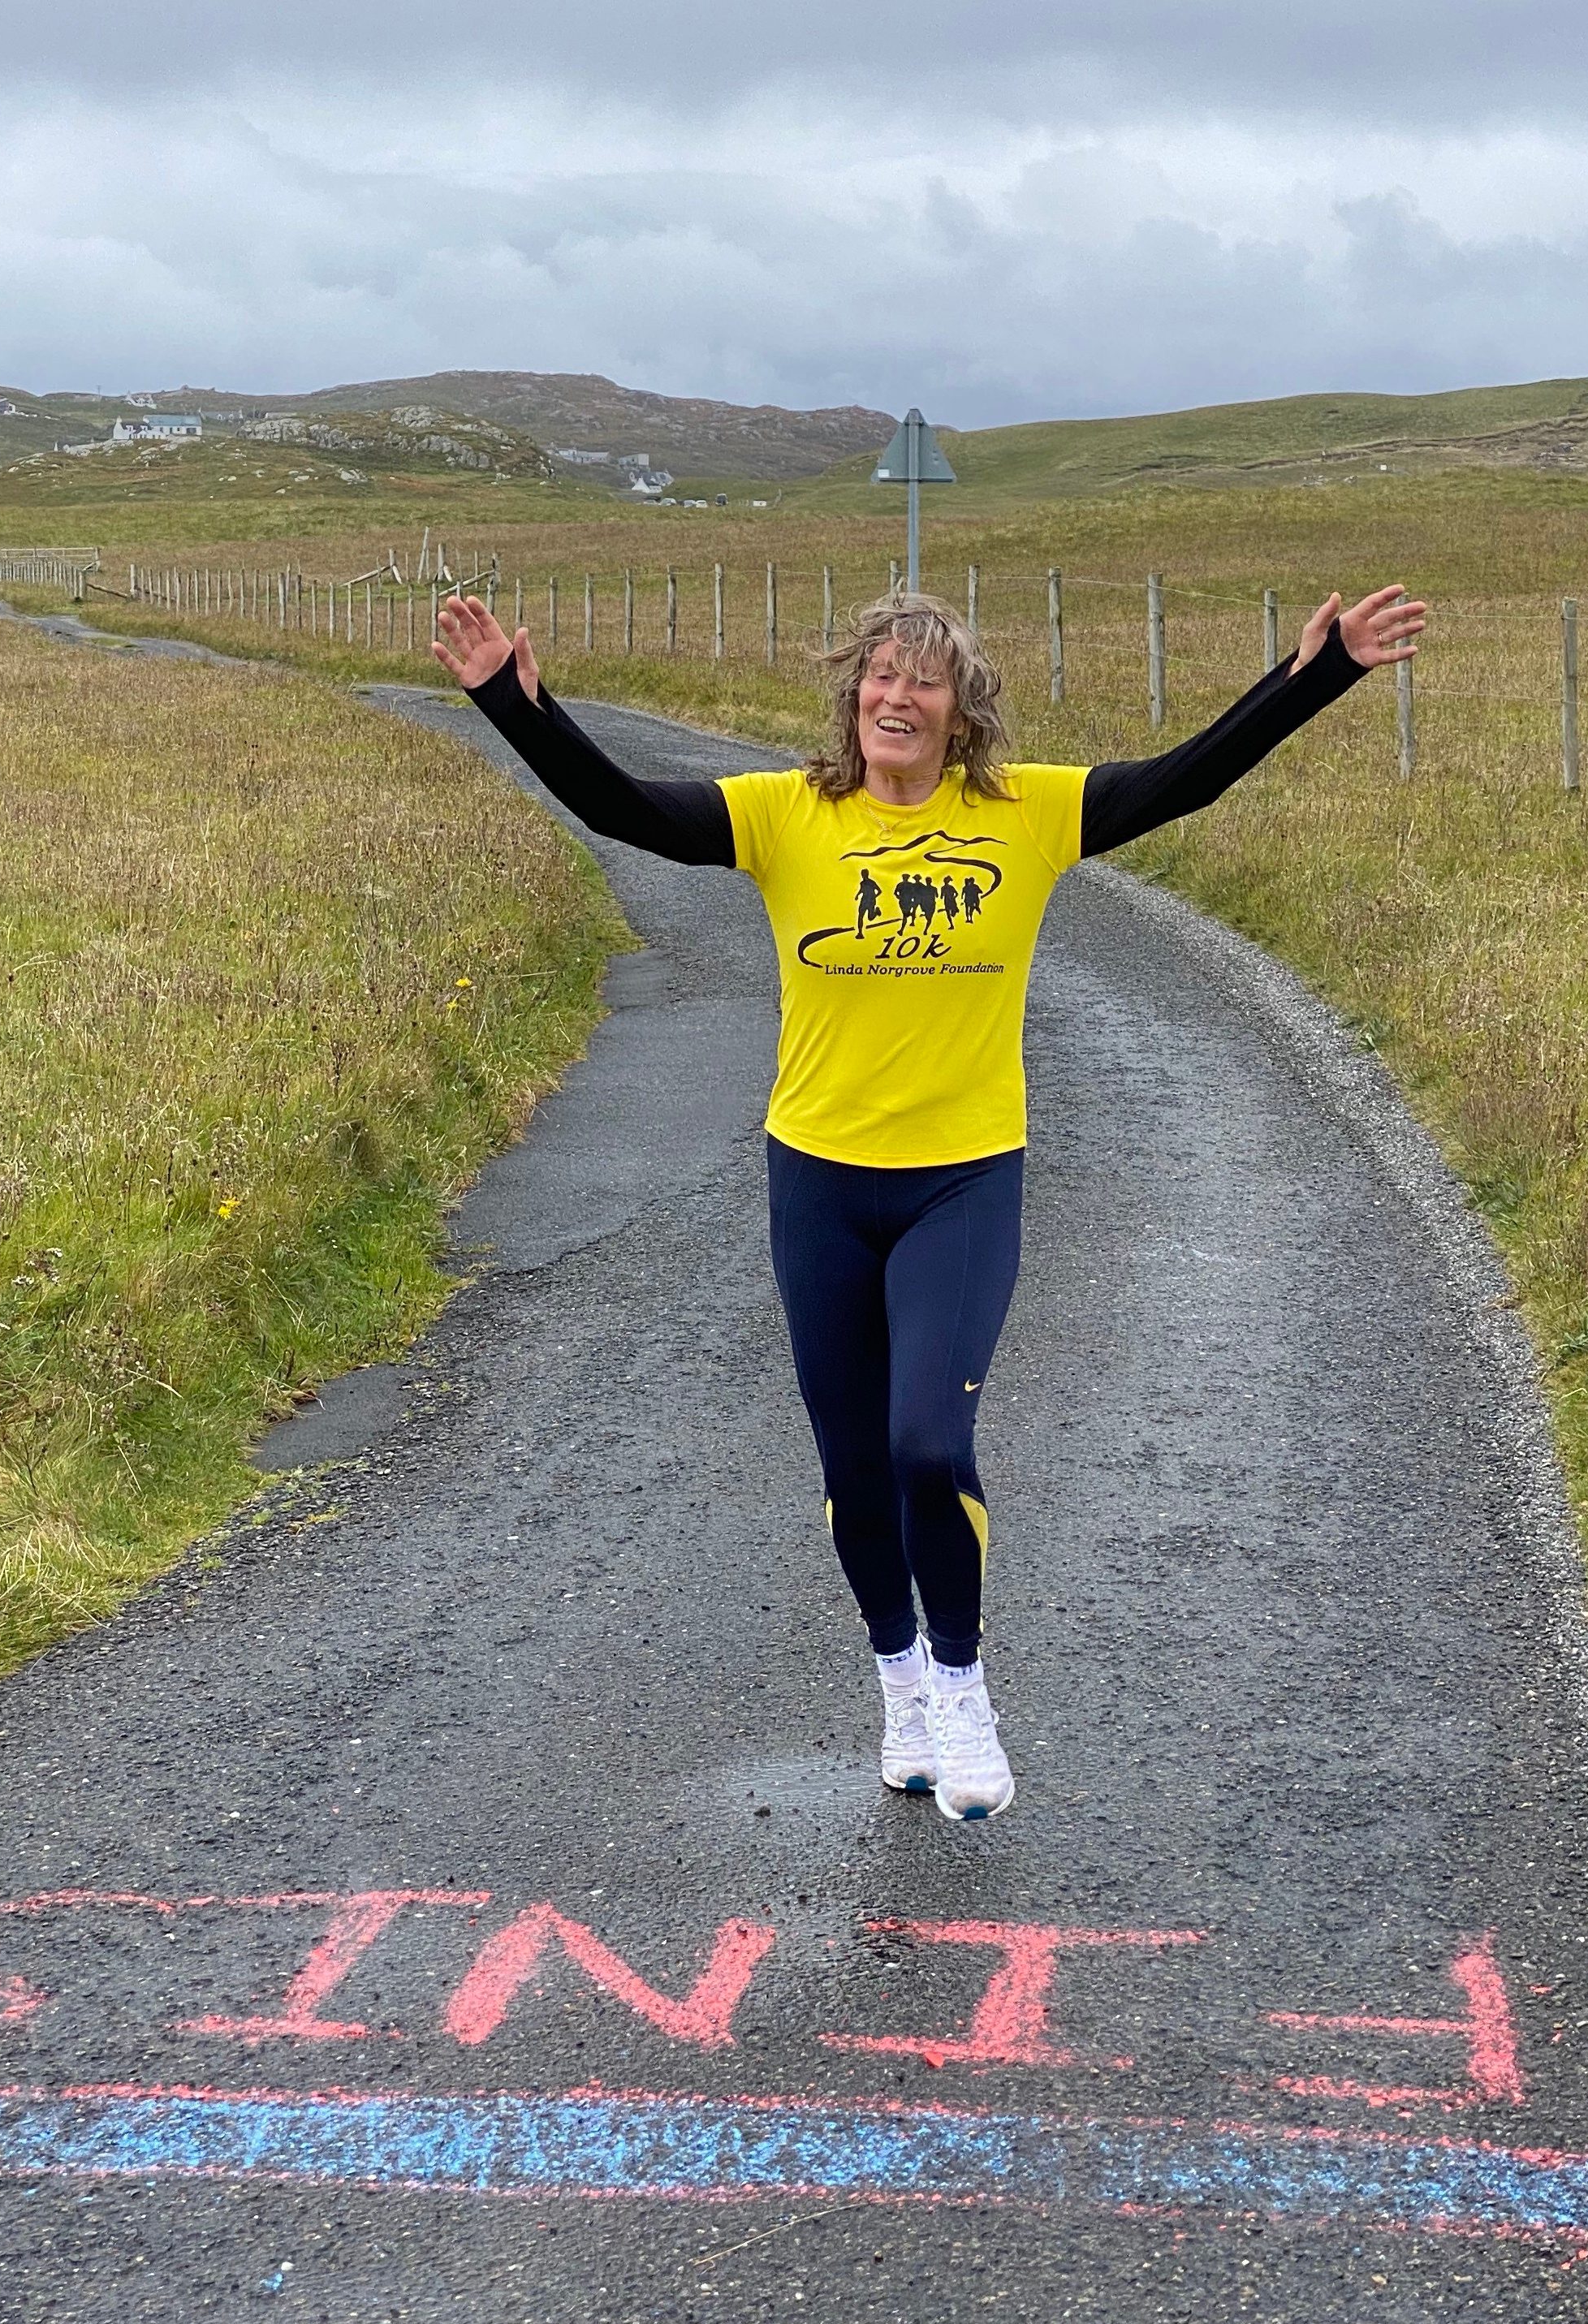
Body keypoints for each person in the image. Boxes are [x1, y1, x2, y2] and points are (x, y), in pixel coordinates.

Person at [433, 581, 1426, 1823]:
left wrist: (1316, 674)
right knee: (853, 1471)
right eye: (875, 677)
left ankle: (961, 1687)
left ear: (961, 712)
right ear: (851, 700)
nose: (893, 696)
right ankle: (896, 1682)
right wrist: (510, 707)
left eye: (921, 680)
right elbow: (622, 808)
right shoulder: (786, 816)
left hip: (962, 1180)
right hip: (818, 1182)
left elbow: (1190, 776)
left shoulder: (1024, 815)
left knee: (924, 1446)